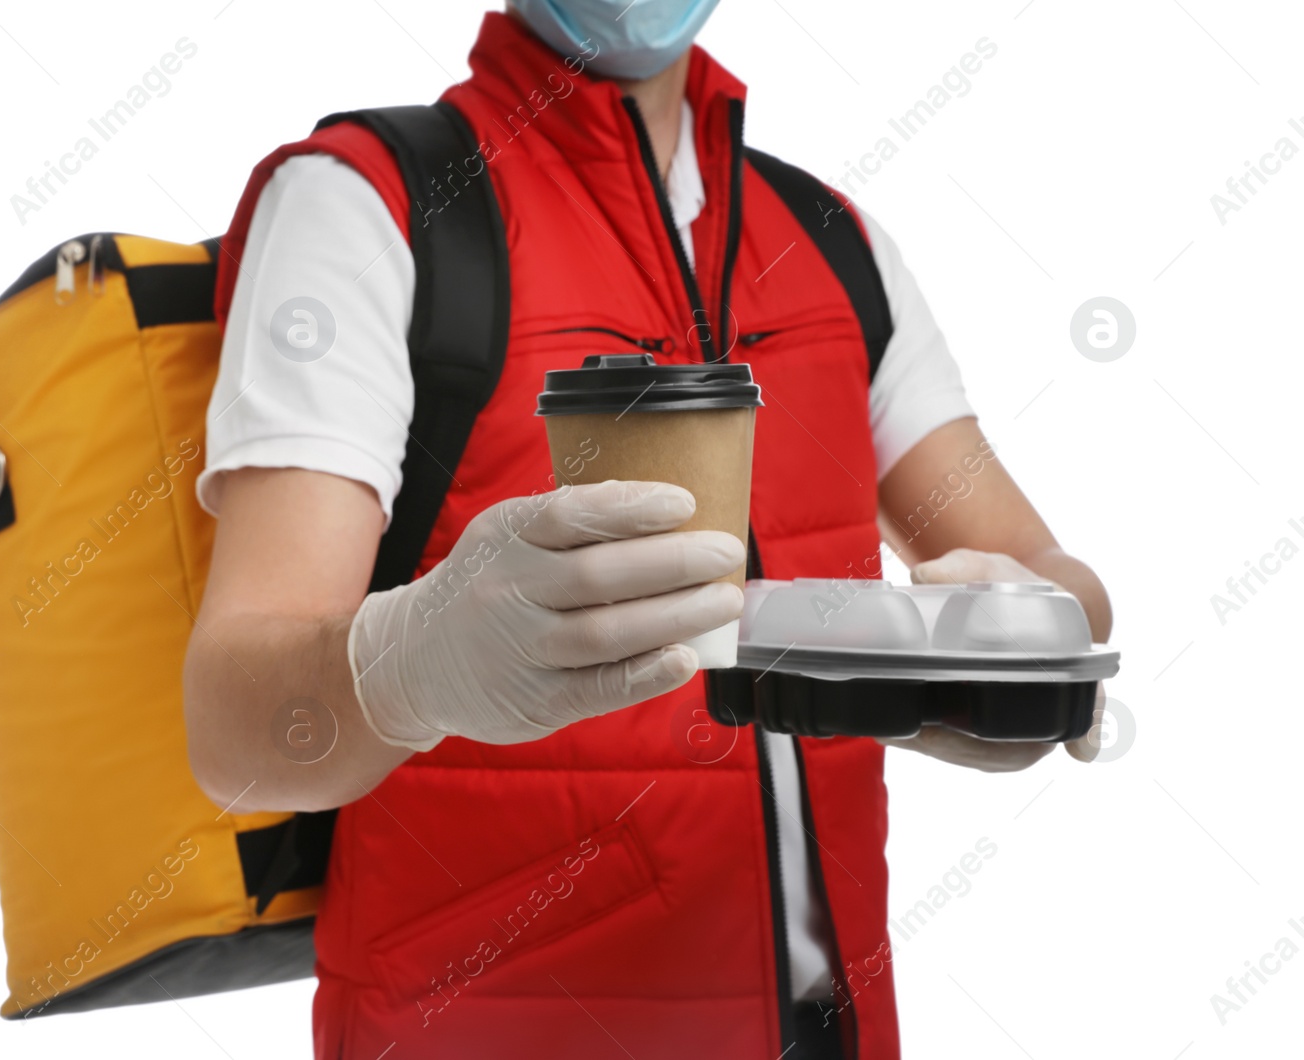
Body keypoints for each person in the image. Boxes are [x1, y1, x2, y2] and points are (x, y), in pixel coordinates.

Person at [182, 3, 1113, 1057]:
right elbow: (232, 731)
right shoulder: (370, 206)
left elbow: (1045, 569)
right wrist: (412, 665)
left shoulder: (828, 237)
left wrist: (1017, 643)